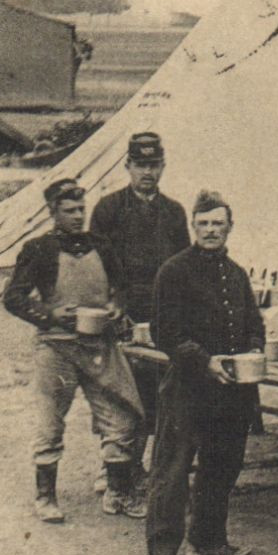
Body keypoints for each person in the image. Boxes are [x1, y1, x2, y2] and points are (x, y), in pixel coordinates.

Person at [3, 178, 145, 523]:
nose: (78, 216)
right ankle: (45, 497)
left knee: (122, 418)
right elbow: (13, 297)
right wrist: (49, 315)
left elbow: (123, 286)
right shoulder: (38, 249)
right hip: (57, 348)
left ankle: (117, 492)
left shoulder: (102, 245)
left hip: (99, 346)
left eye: (81, 209)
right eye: (69, 211)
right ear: (53, 212)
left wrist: (117, 307)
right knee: (50, 423)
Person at [145, 191, 266, 555]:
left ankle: (208, 539)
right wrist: (204, 360)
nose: (211, 231)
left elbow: (254, 326)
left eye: (218, 224)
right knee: (174, 466)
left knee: (223, 465)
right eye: (204, 224)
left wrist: (253, 352)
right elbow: (165, 332)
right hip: (188, 386)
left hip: (230, 390)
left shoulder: (236, 274)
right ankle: (162, 550)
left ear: (230, 227)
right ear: (193, 227)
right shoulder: (174, 271)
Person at [89, 132, 189, 488]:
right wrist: (114, 307)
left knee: (154, 389)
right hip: (121, 313)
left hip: (160, 313)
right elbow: (96, 265)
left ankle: (136, 465)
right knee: (117, 389)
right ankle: (111, 464)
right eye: (140, 165)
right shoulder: (108, 209)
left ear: (162, 167)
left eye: (154, 165)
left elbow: (183, 266)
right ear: (127, 166)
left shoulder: (174, 213)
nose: (147, 172)